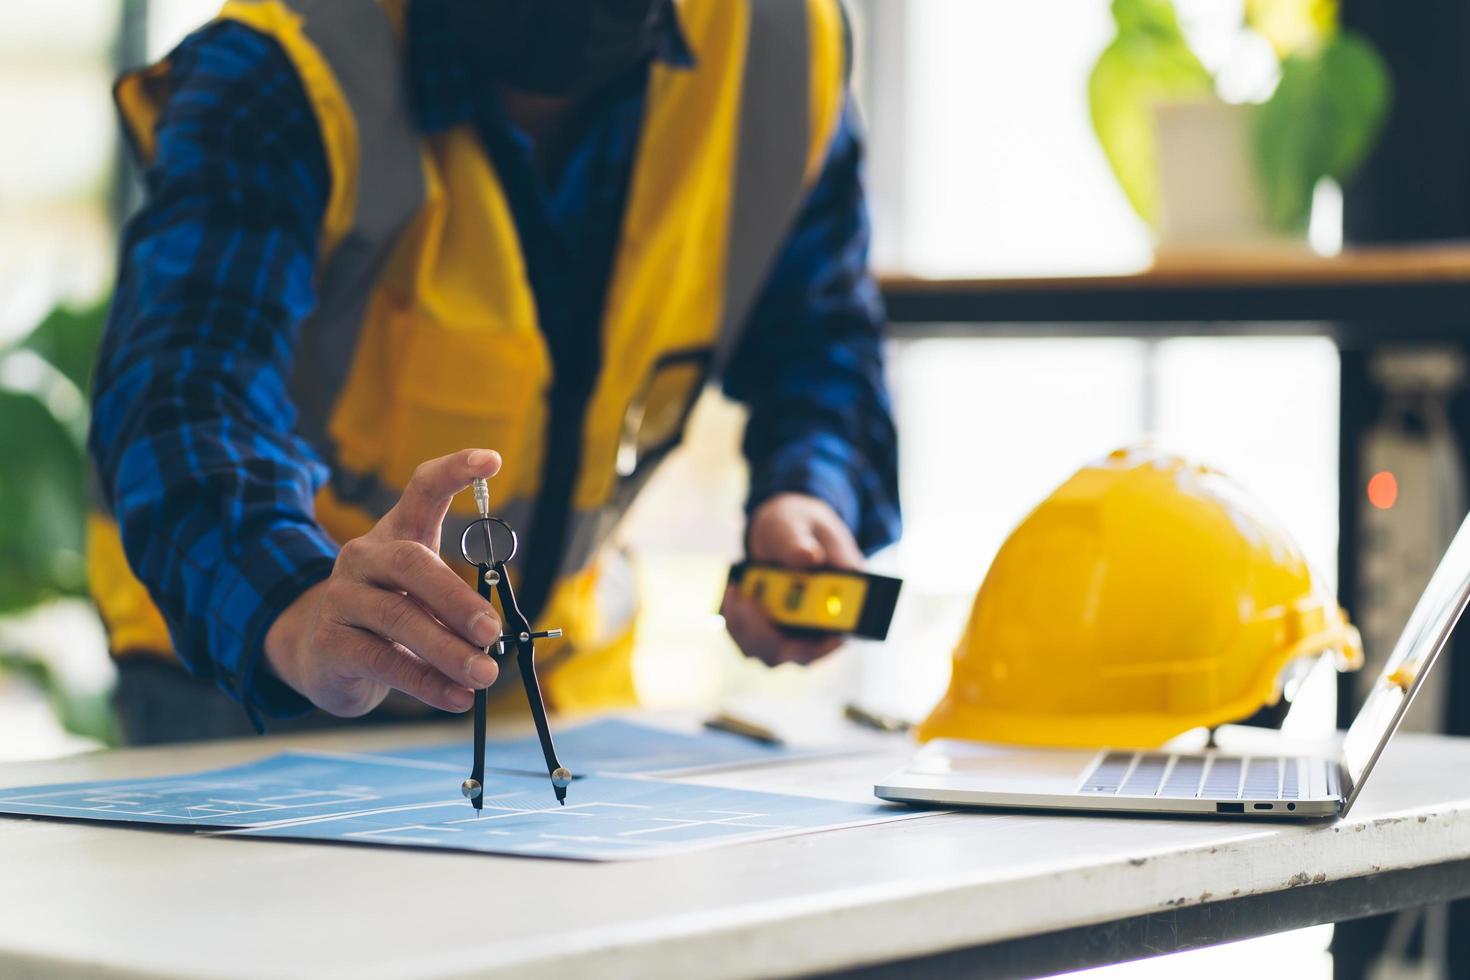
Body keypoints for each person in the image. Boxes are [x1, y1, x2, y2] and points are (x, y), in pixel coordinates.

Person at [89, 0, 900, 744]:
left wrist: (808, 496)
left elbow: (821, 338)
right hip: (259, 668)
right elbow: (185, 396)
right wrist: (299, 608)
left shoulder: (777, 48)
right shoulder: (288, 64)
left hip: (550, 675)